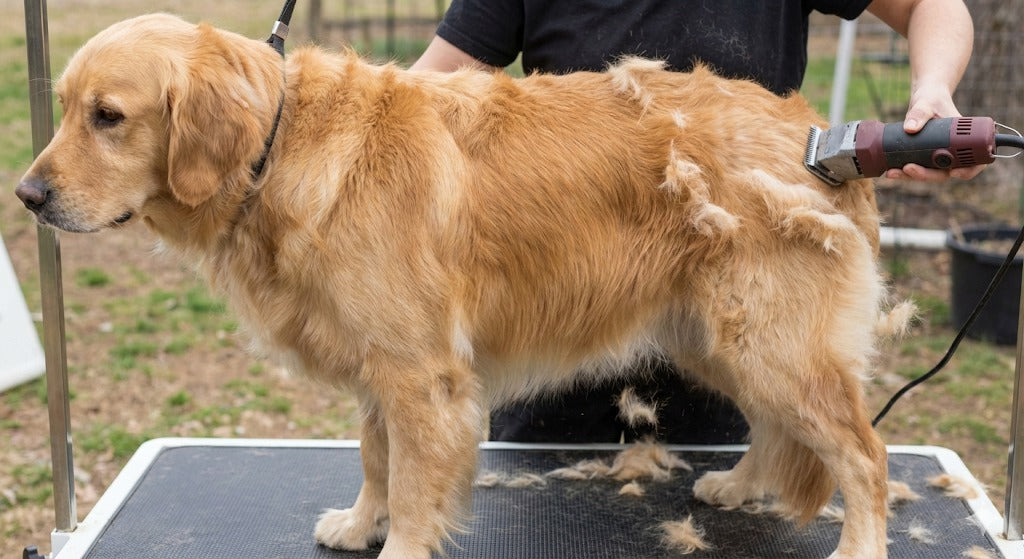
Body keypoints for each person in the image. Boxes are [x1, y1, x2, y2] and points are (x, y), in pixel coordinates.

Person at [411, 0, 982, 444]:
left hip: (737, 333)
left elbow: (930, 6)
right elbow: (431, 85)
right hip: (556, 333)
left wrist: (932, 88)